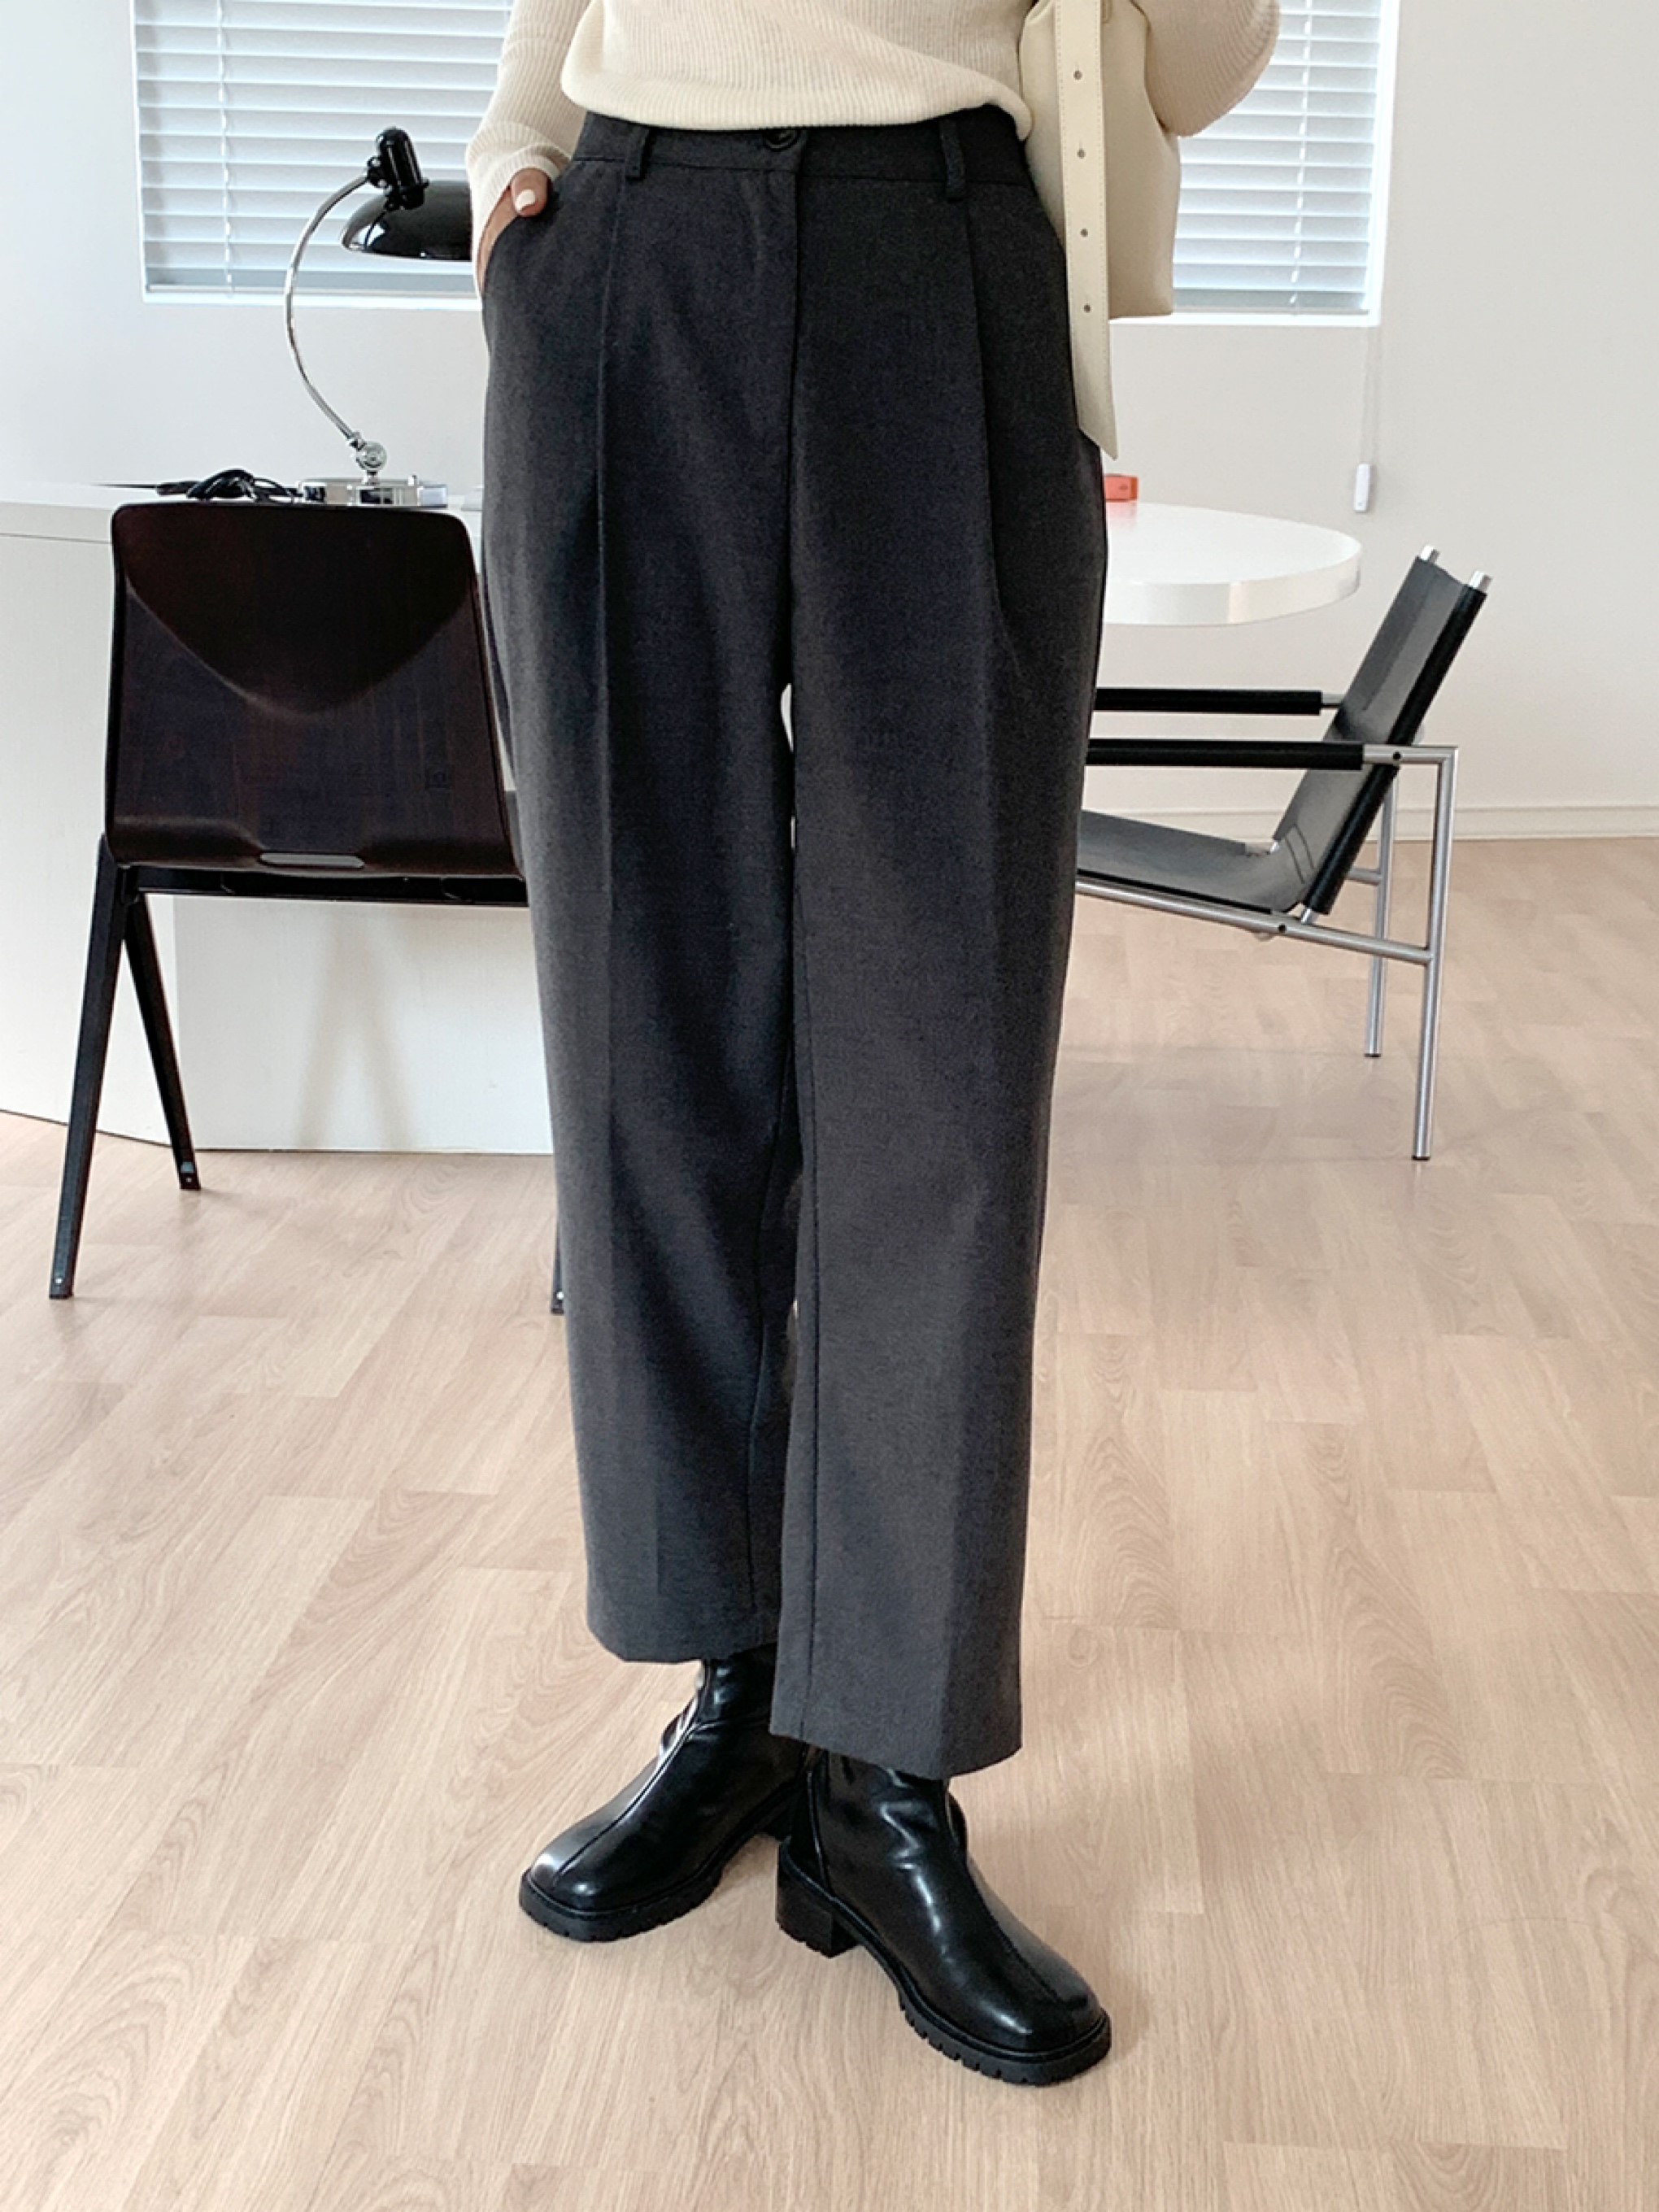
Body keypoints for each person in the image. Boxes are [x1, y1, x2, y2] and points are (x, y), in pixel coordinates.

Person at [468, 0, 1276, 2087]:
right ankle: (739, 1693)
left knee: (946, 1072)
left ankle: (882, 1772)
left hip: (944, 254)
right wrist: (511, 170)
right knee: (643, 1040)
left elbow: (1199, 66)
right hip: (626, 246)